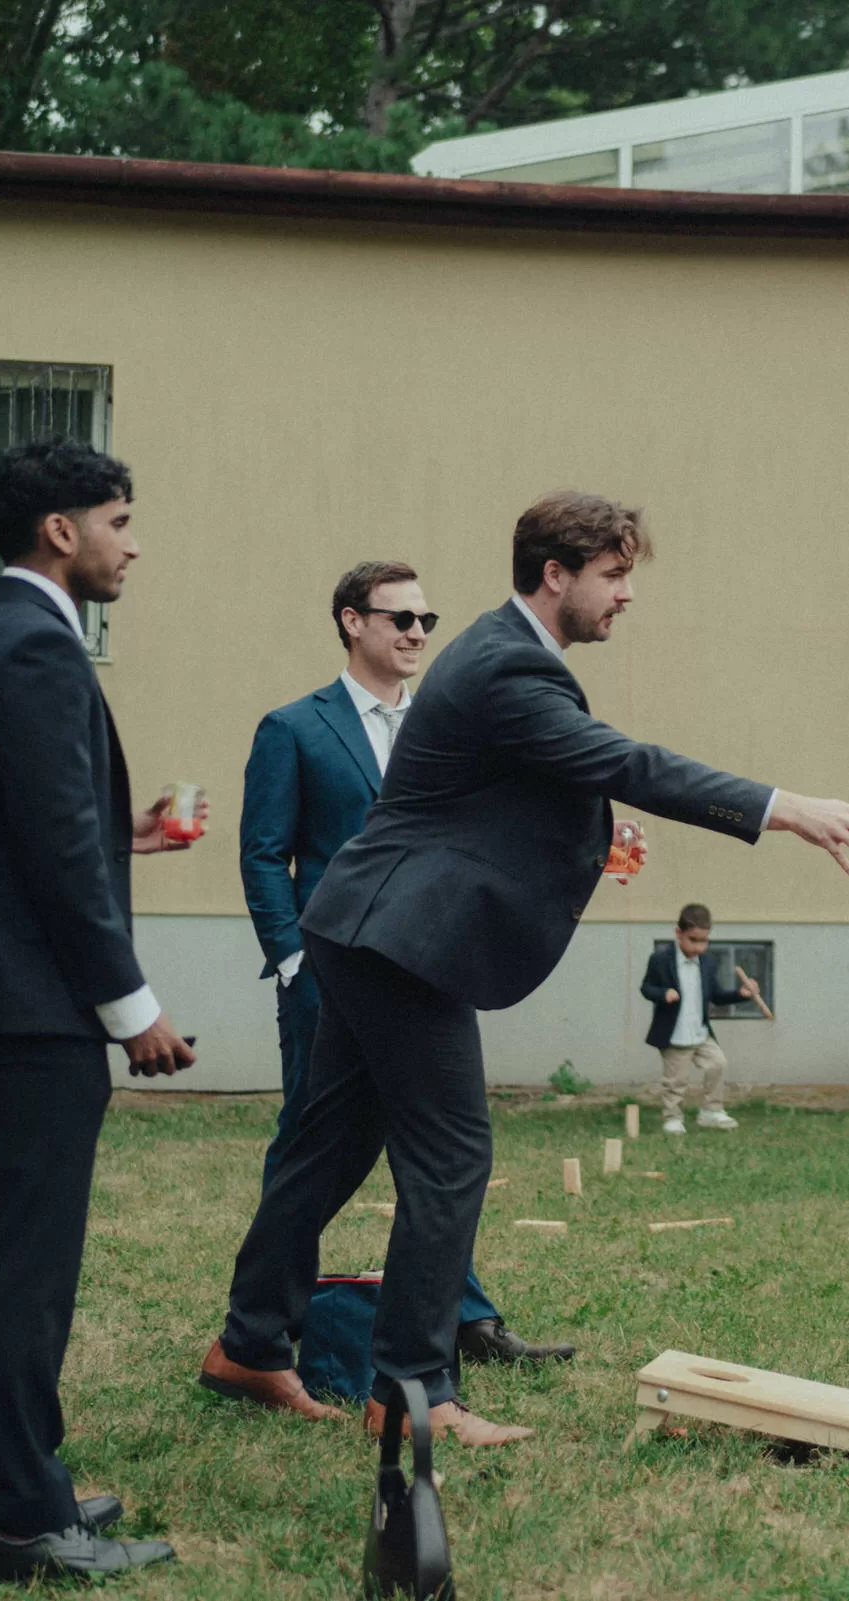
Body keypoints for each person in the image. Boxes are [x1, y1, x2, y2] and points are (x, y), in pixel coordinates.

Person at [200, 490, 849, 1447]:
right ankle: (408, 1395)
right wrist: (780, 805)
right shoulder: (508, 664)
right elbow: (627, 762)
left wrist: (585, 848)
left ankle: (249, 1345)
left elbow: (502, 799)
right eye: (614, 575)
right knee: (451, 1157)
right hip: (398, 942)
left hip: (368, 928)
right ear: (555, 574)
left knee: (330, 1145)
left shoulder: (502, 655)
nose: (627, 595)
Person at [0, 438, 199, 1583]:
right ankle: (24, 1515)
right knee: (22, 1259)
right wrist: (135, 1006)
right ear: (60, 531)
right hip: (25, 1004)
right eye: (118, 518)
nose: (131, 541)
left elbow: (15, 822)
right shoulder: (36, 648)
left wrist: (135, 833)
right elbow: (58, 852)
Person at [236, 559, 569, 1369]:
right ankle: (264, 1329)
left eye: (427, 619)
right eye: (401, 619)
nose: (419, 633)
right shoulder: (294, 727)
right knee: (314, 1154)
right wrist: (294, 964)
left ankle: (467, 1320)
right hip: (331, 975)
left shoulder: (449, 727)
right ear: (353, 621)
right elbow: (263, 855)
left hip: (426, 973)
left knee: (438, 1151)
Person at [640, 903, 762, 1135]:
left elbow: (715, 995)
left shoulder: (707, 963)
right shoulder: (660, 960)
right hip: (674, 1033)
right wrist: (662, 994)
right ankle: (672, 1117)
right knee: (676, 1081)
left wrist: (740, 994)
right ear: (678, 933)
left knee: (718, 1064)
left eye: (704, 941)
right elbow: (646, 988)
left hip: (700, 1031)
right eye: (693, 940)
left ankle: (711, 1111)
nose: (699, 947)